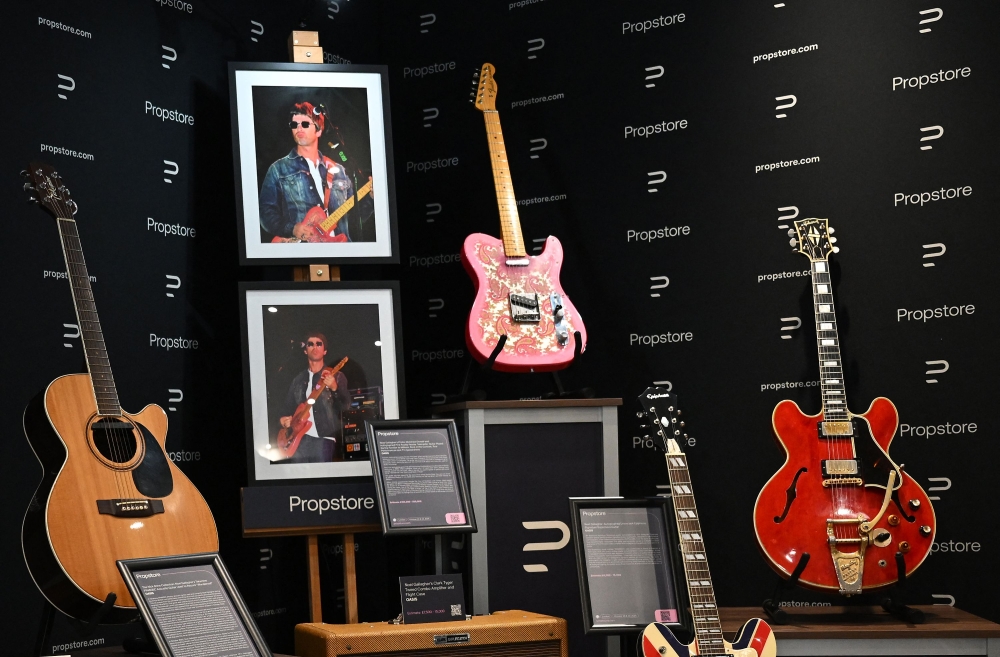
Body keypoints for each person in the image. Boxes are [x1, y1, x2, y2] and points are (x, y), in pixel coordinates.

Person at [258, 101, 369, 241]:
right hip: (302, 250)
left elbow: (355, 218)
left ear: (319, 130)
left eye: (304, 124)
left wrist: (370, 198)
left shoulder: (339, 171)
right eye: (294, 125)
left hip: (339, 251)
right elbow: (265, 213)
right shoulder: (278, 169)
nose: (299, 128)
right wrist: (291, 228)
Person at [278, 332, 351, 463]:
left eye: (319, 344)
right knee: (301, 481)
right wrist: (284, 420)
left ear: (325, 351)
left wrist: (335, 388)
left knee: (322, 479)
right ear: (305, 350)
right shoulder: (298, 380)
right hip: (298, 440)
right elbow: (286, 408)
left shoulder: (337, 376)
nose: (314, 347)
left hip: (323, 439)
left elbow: (345, 406)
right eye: (310, 344)